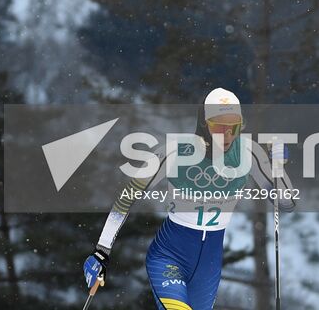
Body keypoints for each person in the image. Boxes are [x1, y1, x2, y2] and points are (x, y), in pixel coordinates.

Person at [83, 87, 295, 310]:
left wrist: (277, 169)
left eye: (234, 127)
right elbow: (127, 197)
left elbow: (286, 203)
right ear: (204, 124)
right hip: (168, 257)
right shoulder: (174, 153)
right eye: (218, 126)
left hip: (209, 267)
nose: (227, 135)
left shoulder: (249, 154)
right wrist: (101, 250)